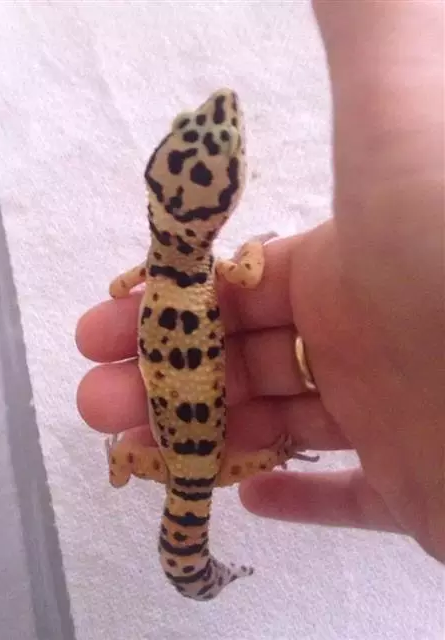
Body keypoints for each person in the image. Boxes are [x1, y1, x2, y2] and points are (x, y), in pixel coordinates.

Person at [75, 2, 444, 563]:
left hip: (199, 465)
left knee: (200, 458)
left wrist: (273, 453)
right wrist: (251, 246)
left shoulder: (165, 264)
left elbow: (114, 290)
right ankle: (185, 548)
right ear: (223, 207)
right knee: (182, 460)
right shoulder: (200, 270)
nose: (221, 109)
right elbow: (249, 270)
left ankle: (154, 506)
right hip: (185, 465)